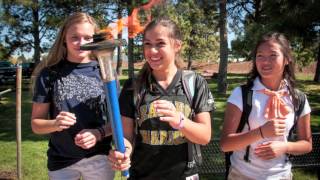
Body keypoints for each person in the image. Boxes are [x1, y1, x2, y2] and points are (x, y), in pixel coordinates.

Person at [108, 17, 215, 179]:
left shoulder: (194, 83)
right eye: (147, 44)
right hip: (143, 175)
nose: (152, 51)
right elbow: (127, 137)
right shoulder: (133, 86)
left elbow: (205, 136)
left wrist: (181, 121)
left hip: (184, 175)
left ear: (177, 45)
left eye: (160, 43)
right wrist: (124, 152)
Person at [31, 12, 114, 180]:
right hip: (61, 162)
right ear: (64, 39)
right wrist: (55, 123)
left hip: (99, 158)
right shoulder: (49, 74)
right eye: (74, 37)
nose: (81, 43)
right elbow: (36, 124)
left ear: (94, 40)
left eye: (87, 37)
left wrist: (98, 133)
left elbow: (119, 122)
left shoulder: (105, 72)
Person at [220, 32, 312, 180]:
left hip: (282, 176)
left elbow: (307, 144)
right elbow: (225, 144)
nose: (265, 61)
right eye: (260, 55)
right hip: (242, 175)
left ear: (287, 59)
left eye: (273, 55)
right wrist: (261, 132)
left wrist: (285, 147)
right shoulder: (241, 94)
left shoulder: (298, 98)